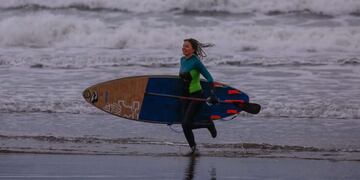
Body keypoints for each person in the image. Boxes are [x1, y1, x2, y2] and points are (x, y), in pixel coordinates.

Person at [179, 38, 218, 153]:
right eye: (183, 46)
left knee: (186, 124)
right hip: (186, 97)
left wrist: (212, 94)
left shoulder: (196, 61)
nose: (184, 48)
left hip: (196, 95)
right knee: (184, 125)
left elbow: (209, 78)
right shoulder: (182, 60)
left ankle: (208, 124)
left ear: (193, 49)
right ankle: (193, 148)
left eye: (187, 46)